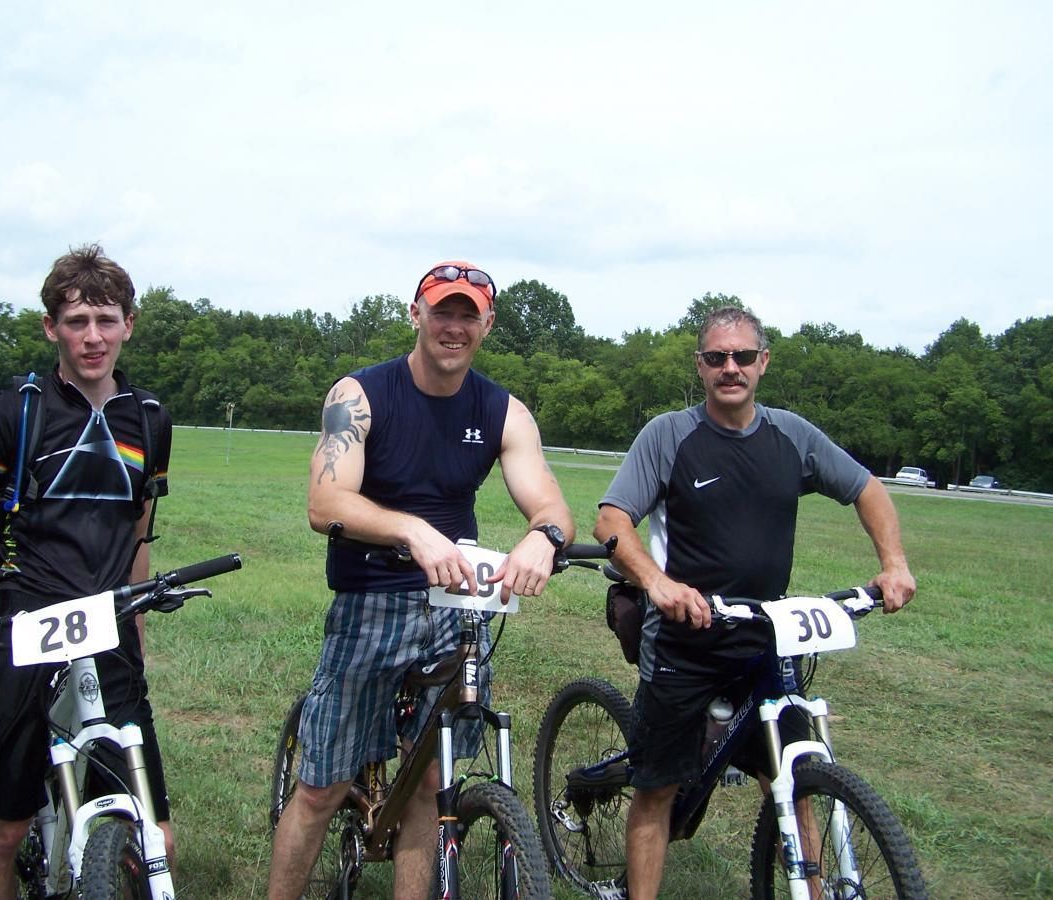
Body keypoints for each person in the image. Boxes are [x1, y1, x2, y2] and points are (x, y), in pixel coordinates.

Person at [268, 260, 576, 899]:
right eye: (442, 310)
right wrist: (411, 530)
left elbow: (550, 506)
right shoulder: (358, 394)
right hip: (372, 599)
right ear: (416, 314)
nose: (454, 326)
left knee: (429, 784)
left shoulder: (502, 410)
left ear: (487, 324)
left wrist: (541, 540)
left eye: (469, 314)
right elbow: (325, 503)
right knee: (322, 787)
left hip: (458, 602)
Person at [593, 306, 916, 899]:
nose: (730, 367)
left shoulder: (791, 436)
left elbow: (867, 488)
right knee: (658, 788)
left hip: (765, 635)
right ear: (701, 366)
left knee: (796, 779)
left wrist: (893, 562)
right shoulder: (669, 435)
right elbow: (612, 519)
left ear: (763, 362)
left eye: (743, 356)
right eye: (717, 357)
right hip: (683, 637)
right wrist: (657, 583)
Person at [0, 244, 173, 899]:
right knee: (2, 829)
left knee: (155, 829)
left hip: (108, 622)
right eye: (77, 321)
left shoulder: (150, 420)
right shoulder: (9, 414)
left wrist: (137, 626)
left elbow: (139, 532)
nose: (93, 337)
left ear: (128, 325)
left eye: (107, 320)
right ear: (51, 326)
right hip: (28, 623)